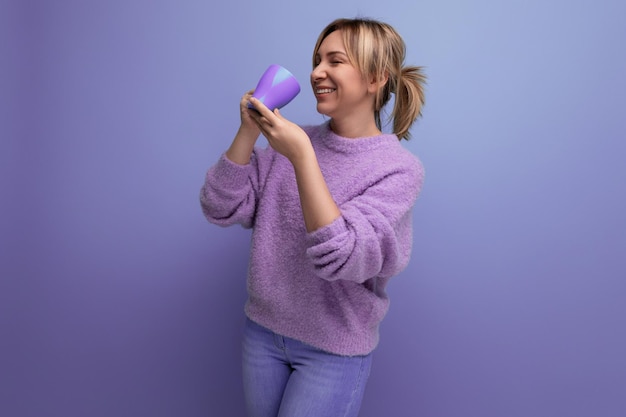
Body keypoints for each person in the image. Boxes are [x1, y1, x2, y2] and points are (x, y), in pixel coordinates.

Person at [200, 17, 426, 417]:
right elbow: (218, 206)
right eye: (317, 59)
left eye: (334, 61)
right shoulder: (292, 141)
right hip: (262, 334)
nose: (316, 72)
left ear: (376, 78)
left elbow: (342, 256)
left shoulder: (398, 169)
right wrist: (248, 132)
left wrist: (303, 156)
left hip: (332, 351)